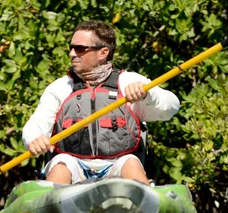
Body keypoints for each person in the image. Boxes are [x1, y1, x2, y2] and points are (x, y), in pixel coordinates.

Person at [22, 20, 180, 185]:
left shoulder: (129, 82)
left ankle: (143, 203)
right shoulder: (60, 88)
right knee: (61, 164)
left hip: (117, 163)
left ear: (103, 53)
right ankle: (53, 206)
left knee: (131, 162)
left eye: (80, 49)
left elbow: (172, 107)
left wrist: (148, 94)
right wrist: (34, 139)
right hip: (73, 164)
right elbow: (35, 125)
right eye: (71, 48)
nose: (71, 54)